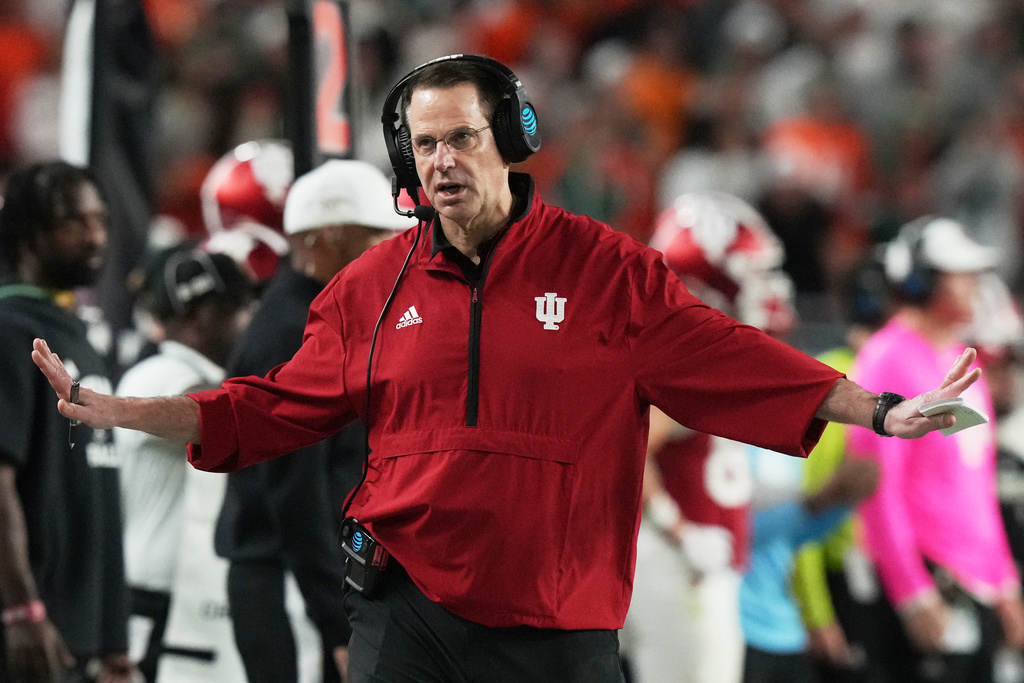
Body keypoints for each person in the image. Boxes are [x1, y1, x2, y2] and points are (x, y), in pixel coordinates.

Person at [31, 55, 984, 683]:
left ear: (513, 140)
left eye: (465, 138)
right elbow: (272, 405)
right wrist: (122, 408)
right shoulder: (372, 281)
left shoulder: (608, 269)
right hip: (404, 612)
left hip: (555, 621)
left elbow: (726, 358)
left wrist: (881, 409)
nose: (444, 161)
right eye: (427, 143)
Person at [214, 158, 414, 683]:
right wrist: (334, 621)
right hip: (287, 584)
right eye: (378, 236)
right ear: (327, 236)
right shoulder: (292, 332)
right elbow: (293, 492)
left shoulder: (321, 314)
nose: (395, 253)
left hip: (307, 578)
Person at [622, 190, 798, 683]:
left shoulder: (696, 354)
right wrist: (680, 528)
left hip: (690, 560)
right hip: (678, 562)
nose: (766, 286)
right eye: (749, 271)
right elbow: (629, 449)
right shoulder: (687, 361)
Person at [849, 216, 1024, 683]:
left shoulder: (961, 363)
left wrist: (1002, 579)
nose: (973, 285)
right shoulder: (887, 357)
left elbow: (976, 487)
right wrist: (912, 594)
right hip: (925, 588)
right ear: (920, 281)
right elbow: (874, 488)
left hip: (973, 588)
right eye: (959, 274)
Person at [0, 161, 131, 682]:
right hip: (30, 632)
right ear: (29, 235)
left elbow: (95, 491)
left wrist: (111, 640)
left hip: (81, 638)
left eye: (99, 219)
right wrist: (20, 610)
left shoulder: (75, 334)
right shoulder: (10, 331)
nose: (95, 235)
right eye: (73, 222)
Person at [116, 247, 254, 682]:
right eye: (237, 310)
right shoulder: (155, 375)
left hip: (186, 595)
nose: (249, 322)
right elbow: (229, 412)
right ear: (198, 313)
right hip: (153, 596)